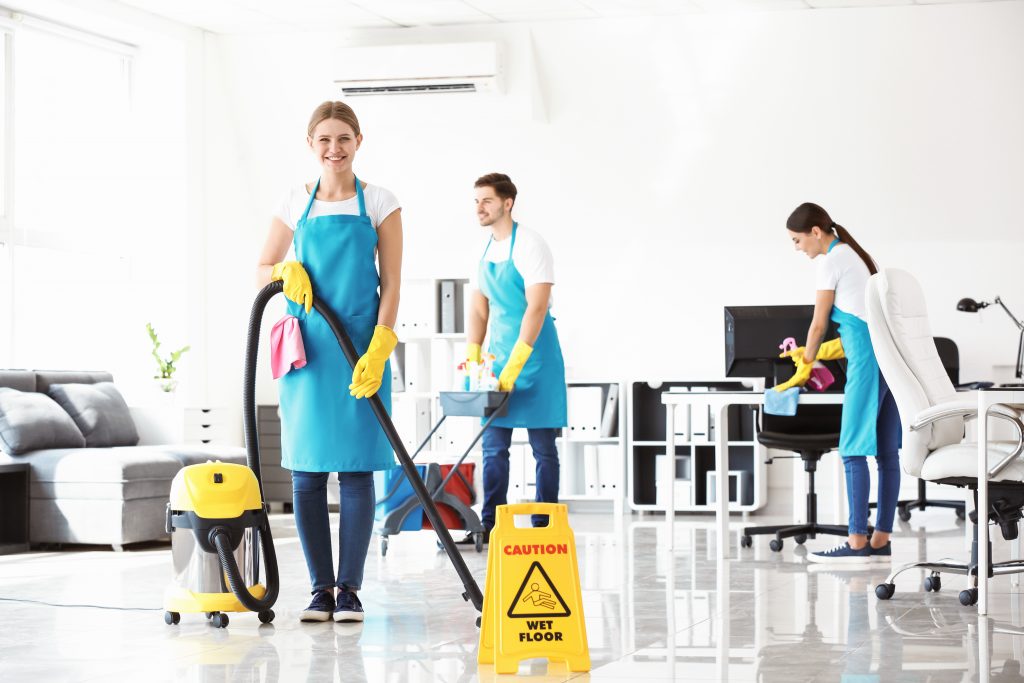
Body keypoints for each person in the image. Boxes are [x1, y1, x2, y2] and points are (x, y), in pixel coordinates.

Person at [257, 101, 402, 621]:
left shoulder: (380, 201)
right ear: (311, 145)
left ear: (358, 141)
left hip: (362, 348)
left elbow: (392, 282)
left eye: (343, 138)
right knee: (308, 473)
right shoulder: (295, 201)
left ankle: (350, 591)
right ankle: (320, 590)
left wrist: (382, 343)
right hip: (311, 351)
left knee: (358, 469)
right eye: (324, 140)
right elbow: (262, 265)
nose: (334, 148)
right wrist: (284, 272)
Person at [776, 202, 900, 565]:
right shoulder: (855, 256)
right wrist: (815, 354)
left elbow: (818, 324)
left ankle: (857, 540)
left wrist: (805, 361)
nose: (797, 248)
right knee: (886, 452)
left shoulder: (830, 262)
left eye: (797, 240)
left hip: (865, 362)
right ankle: (881, 538)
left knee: (851, 450)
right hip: (886, 358)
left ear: (816, 232)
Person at [460, 173, 567, 544]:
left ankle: (545, 525)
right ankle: (490, 525)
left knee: (543, 448)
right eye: (476, 201)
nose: (479, 208)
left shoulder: (531, 245)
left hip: (535, 360)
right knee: (493, 448)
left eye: (486, 200)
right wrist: (473, 357)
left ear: (508, 203)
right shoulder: (481, 251)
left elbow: (536, 309)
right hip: (497, 359)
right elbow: (478, 310)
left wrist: (517, 364)